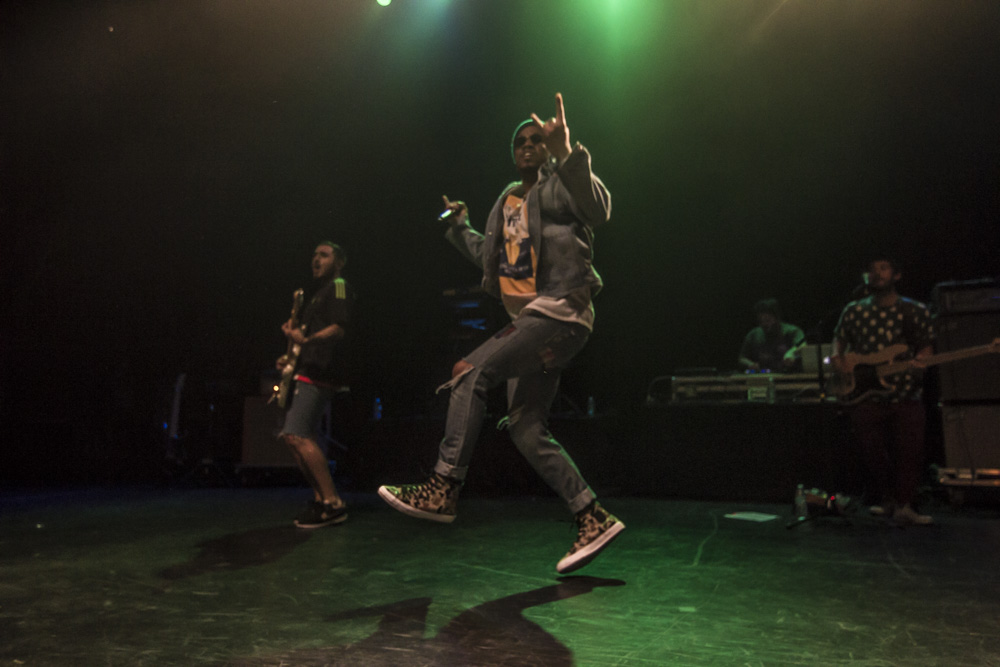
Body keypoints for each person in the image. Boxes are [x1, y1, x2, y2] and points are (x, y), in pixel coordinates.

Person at [378, 93, 624, 573]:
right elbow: (494, 260)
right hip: (535, 320)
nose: (529, 146)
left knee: (469, 373)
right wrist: (461, 228)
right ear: (513, 153)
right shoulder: (509, 200)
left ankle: (443, 486)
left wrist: (566, 149)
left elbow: (599, 209)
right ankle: (591, 516)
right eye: (521, 142)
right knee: (527, 427)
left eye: (537, 140)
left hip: (560, 312)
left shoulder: (560, 186)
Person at [831, 256, 934, 525]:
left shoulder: (914, 310)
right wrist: (838, 360)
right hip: (866, 394)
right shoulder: (854, 310)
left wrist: (922, 361)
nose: (877, 273)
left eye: (883, 268)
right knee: (871, 451)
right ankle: (888, 500)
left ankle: (905, 505)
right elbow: (839, 340)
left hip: (905, 392)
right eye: (872, 269)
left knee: (909, 451)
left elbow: (925, 345)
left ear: (896, 275)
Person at [277, 241, 354, 529]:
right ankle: (322, 500)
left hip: (322, 372)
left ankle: (333, 503)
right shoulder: (317, 295)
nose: (316, 259)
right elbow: (303, 339)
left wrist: (307, 340)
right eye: (314, 255)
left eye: (324, 255)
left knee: (297, 434)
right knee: (294, 436)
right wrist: (290, 358)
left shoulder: (339, 286)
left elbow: (339, 329)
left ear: (339, 262)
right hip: (307, 369)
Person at [737, 298, 806, 372]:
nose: (764, 324)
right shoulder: (753, 335)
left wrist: (791, 352)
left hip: (790, 375)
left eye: (767, 320)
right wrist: (750, 364)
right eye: (761, 321)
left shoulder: (792, 331)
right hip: (765, 375)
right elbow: (742, 358)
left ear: (777, 318)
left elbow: (803, 346)